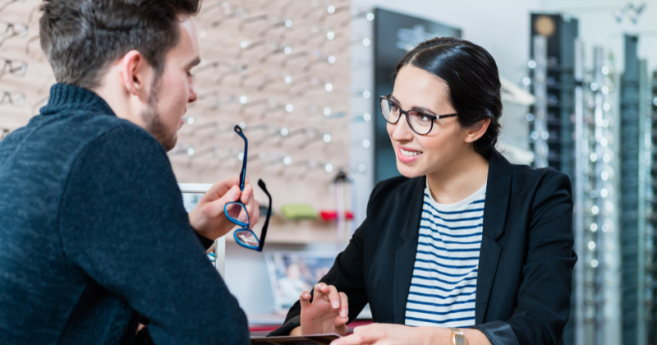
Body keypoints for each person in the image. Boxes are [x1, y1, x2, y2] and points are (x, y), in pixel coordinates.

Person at [270, 37, 576, 345]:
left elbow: (539, 330)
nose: (399, 132)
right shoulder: (389, 202)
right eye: (395, 108)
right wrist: (309, 334)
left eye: (423, 117)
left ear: (475, 127)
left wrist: (431, 339)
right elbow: (307, 313)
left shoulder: (539, 197)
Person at [0, 0, 258, 344]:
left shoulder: (15, 147)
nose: (193, 94)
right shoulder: (115, 146)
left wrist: (192, 234)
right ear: (135, 73)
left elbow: (85, 316)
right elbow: (214, 334)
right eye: (187, 70)